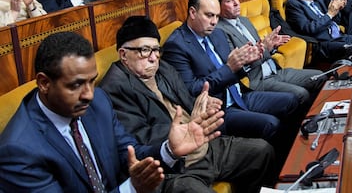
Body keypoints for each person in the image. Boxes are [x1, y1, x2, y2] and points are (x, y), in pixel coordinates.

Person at [0, 31, 227, 192]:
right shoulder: (18, 150)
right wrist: (131, 188)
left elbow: (130, 152)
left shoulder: (97, 102)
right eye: (76, 85)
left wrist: (170, 150)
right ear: (44, 83)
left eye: (92, 81)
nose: (88, 94)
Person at [100, 16, 278, 193]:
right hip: (174, 167)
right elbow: (138, 141)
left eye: (156, 50)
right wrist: (186, 128)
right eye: (145, 50)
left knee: (263, 151)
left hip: (203, 146)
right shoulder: (114, 88)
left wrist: (203, 107)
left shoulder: (164, 68)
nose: (154, 58)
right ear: (123, 54)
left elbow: (187, 103)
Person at [162, 0, 300, 149]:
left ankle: (293, 152)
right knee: (271, 124)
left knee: (292, 101)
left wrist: (246, 61)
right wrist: (230, 68)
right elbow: (190, 90)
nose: (214, 21)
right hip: (220, 109)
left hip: (240, 95)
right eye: (209, 15)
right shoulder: (177, 45)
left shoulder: (217, 33)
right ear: (192, 12)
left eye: (216, 16)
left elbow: (233, 69)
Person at [212, 0, 324, 106]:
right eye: (229, 1)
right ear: (218, 6)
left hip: (275, 70)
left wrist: (272, 47)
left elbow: (262, 49)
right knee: (301, 94)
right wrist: (265, 48)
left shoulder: (244, 20)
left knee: (320, 76)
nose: (236, 3)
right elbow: (239, 67)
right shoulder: (219, 31)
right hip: (258, 79)